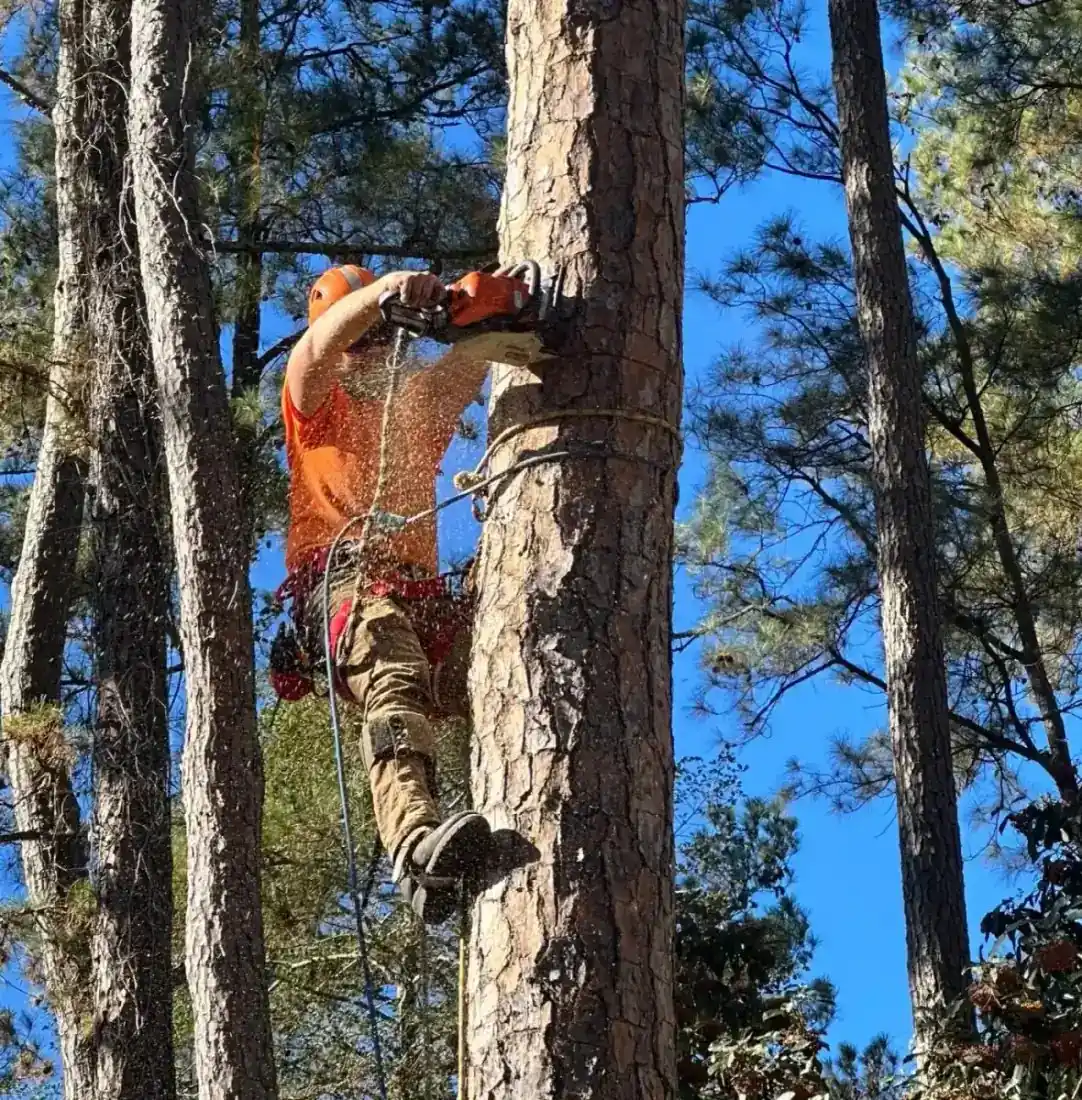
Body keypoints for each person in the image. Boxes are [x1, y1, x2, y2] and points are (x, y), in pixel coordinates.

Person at [279, 263, 499, 923]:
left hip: (423, 598)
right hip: (343, 584)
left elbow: (474, 359)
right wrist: (381, 296)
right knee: (394, 675)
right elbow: (316, 350)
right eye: (362, 340)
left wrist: (486, 302)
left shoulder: (415, 409)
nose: (373, 352)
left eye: (381, 339)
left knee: (499, 670)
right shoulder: (314, 403)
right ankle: (415, 847)